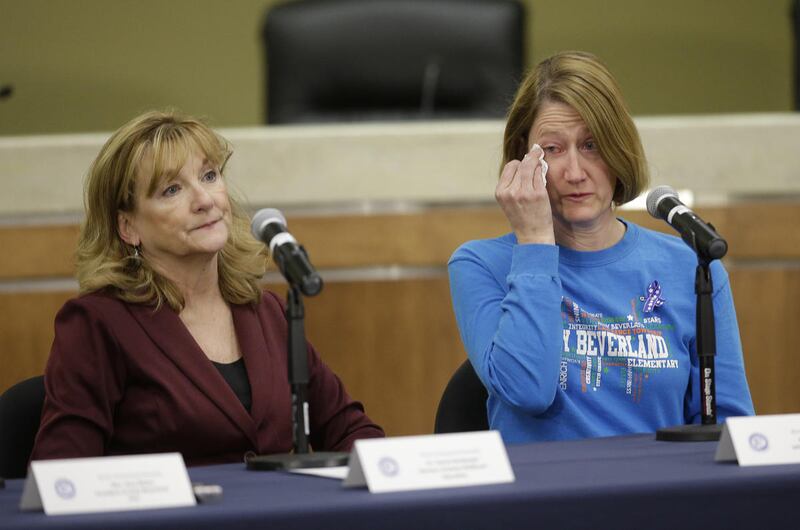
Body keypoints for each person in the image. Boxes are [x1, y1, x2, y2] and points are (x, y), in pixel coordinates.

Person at [31, 111, 383, 465]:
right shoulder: (98, 324)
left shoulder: (268, 313)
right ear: (128, 227)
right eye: (172, 189)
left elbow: (351, 430)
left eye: (209, 175)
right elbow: (62, 475)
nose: (204, 199)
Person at [448, 51, 754, 443]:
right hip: (541, 499)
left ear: (618, 148)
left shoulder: (692, 268)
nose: (575, 173)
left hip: (660, 497)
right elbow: (528, 391)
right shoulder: (481, 265)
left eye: (591, 145)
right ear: (522, 160)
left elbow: (732, 432)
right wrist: (536, 243)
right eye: (553, 150)